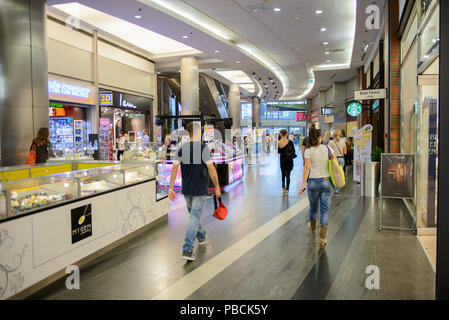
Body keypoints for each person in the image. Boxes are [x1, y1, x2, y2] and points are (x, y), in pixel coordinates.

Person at [168, 122, 221, 261]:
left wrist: (171, 188)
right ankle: (187, 249)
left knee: (193, 216)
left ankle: (201, 235)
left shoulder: (181, 149)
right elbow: (211, 169)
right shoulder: (203, 148)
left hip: (186, 189)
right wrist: (216, 187)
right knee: (194, 218)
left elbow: (174, 168)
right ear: (198, 133)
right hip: (200, 189)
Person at [299, 127, 336, 247]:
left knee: (313, 208)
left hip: (313, 182)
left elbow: (307, 168)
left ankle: (313, 228)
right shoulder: (327, 148)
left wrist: (303, 184)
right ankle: (323, 238)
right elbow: (335, 162)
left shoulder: (308, 151)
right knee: (325, 211)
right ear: (320, 138)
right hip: (326, 182)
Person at [278, 129, 295, 195]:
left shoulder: (278, 142)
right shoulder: (290, 142)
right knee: (288, 174)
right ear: (286, 134)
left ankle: (283, 186)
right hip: (289, 159)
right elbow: (293, 151)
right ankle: (287, 189)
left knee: (283, 173)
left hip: (282, 159)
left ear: (281, 134)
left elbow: (278, 151)